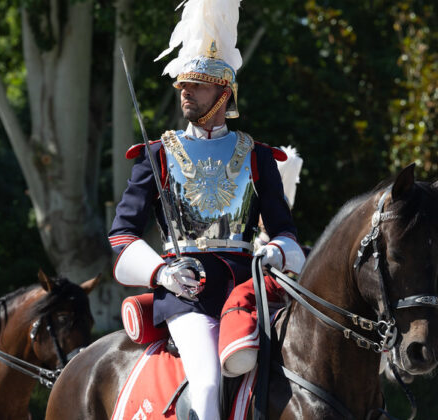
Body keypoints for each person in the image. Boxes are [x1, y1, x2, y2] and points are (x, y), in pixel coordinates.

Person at [108, 2, 305, 418]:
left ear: (223, 93)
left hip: (246, 287)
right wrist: (162, 272)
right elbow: (122, 233)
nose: (185, 91)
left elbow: (286, 233)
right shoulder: (157, 155)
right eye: (183, 84)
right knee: (208, 382)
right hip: (187, 292)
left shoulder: (258, 156)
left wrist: (274, 251)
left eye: (196, 86)